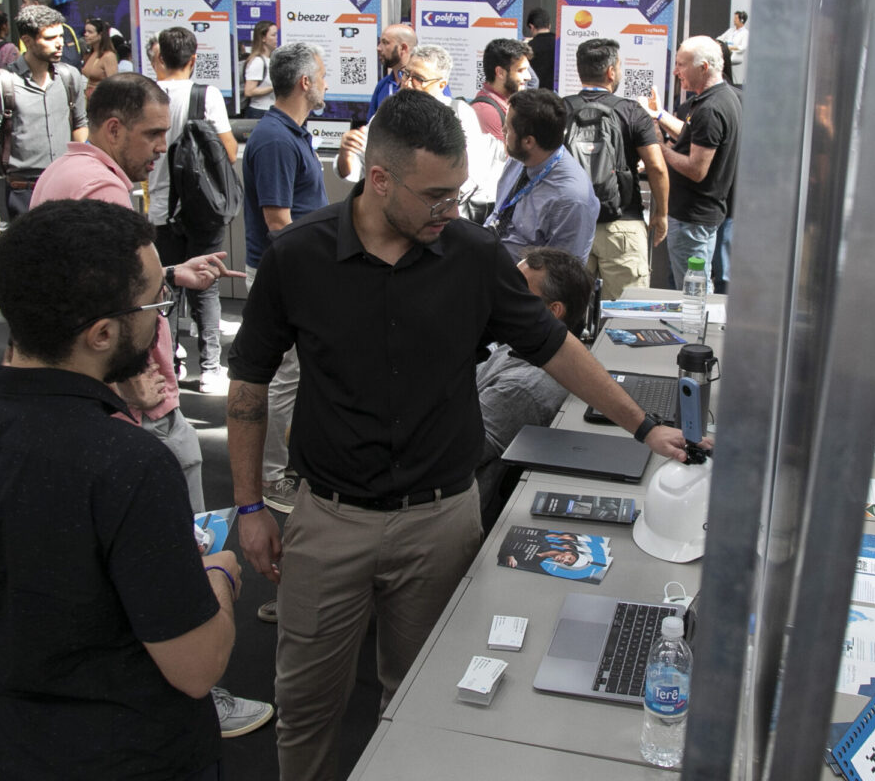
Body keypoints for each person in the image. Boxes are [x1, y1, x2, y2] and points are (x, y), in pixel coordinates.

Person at [226, 89, 697, 781]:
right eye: (436, 197)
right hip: (328, 521)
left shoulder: (471, 255)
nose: (451, 211)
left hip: (440, 520)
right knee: (306, 708)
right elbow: (247, 390)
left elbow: (553, 345)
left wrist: (644, 424)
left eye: (458, 194)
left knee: (424, 701)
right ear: (379, 180)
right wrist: (248, 506)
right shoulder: (298, 259)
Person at [0, 199, 246, 778]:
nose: (159, 318)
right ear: (101, 333)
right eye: (155, 303)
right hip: (139, 755)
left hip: (17, 747)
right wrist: (217, 574)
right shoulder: (130, 463)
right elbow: (196, 666)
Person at [241, 41, 329, 513]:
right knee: (283, 377)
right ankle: (271, 477)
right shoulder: (276, 139)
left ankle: (282, 466)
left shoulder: (290, 133)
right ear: (305, 83)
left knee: (293, 376)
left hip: (294, 274)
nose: (327, 83)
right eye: (323, 74)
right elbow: (278, 222)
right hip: (285, 277)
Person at [148, 27, 238, 396]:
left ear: (158, 57)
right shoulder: (207, 95)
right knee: (207, 287)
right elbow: (228, 152)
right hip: (203, 208)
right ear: (193, 59)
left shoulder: (148, 95)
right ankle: (211, 369)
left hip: (160, 207)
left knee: (164, 286)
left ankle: (169, 362)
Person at [475, 246, 593, 524]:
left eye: (516, 291)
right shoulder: (514, 346)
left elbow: (449, 451)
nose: (502, 296)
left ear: (553, 312)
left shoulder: (523, 389)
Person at [336, 44, 503, 212]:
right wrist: (346, 153)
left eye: (419, 79)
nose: (407, 83)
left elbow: (470, 176)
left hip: (440, 217)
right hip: (392, 218)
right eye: (406, 73)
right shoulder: (387, 113)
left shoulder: (460, 114)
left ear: (442, 84)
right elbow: (356, 170)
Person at [0, 4, 88, 237]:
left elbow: (80, 125)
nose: (59, 43)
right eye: (50, 38)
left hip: (66, 186)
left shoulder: (69, 76)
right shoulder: (2, 82)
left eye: (61, 36)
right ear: (27, 40)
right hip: (23, 191)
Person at [568, 37, 669, 299]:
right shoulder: (632, 112)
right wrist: (661, 214)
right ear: (611, 71)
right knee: (624, 320)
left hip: (572, 225)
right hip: (623, 224)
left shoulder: (560, 109)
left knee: (566, 314)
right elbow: (656, 167)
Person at [647, 36, 741, 290]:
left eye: (681, 65)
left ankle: (693, 330)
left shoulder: (711, 109)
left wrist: (657, 148)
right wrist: (658, 114)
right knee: (695, 289)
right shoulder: (720, 99)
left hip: (692, 218)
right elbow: (693, 137)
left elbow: (696, 169)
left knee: (692, 293)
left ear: (704, 67)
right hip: (699, 216)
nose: (676, 72)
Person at [486, 88, 599, 263]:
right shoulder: (519, 158)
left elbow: (563, 274)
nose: (502, 130)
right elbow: (498, 215)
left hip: (523, 284)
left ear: (528, 141)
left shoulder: (572, 198)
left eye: (508, 129)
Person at [471, 36, 533, 144]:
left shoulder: (509, 103)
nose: (528, 77)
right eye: (520, 70)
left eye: (527, 70)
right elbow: (502, 159)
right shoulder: (486, 111)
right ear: (500, 72)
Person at [367, 22, 417, 119]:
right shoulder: (382, 85)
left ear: (403, 48)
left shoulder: (428, 82)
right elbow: (370, 126)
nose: (378, 48)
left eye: (385, 43)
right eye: (380, 42)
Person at [243, 19, 278, 117]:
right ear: (263, 38)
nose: (276, 39)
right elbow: (249, 91)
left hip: (269, 110)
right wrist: (275, 87)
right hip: (259, 112)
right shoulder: (257, 62)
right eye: (273, 35)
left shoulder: (270, 59)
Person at [81, 17, 119, 97]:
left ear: (100, 35)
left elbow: (114, 85)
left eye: (90, 32)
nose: (86, 34)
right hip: (88, 100)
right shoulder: (90, 54)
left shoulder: (109, 56)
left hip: (101, 101)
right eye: (85, 31)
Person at [525, 7, 556, 89]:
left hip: (535, 95)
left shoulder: (528, 47)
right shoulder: (560, 44)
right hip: (557, 94)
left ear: (531, 27)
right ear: (549, 26)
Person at [717, 10, 749, 82]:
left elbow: (743, 47)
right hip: (725, 51)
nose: (734, 20)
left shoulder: (745, 33)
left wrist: (730, 48)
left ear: (741, 20)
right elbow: (721, 37)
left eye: (736, 19)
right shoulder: (731, 30)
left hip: (734, 54)